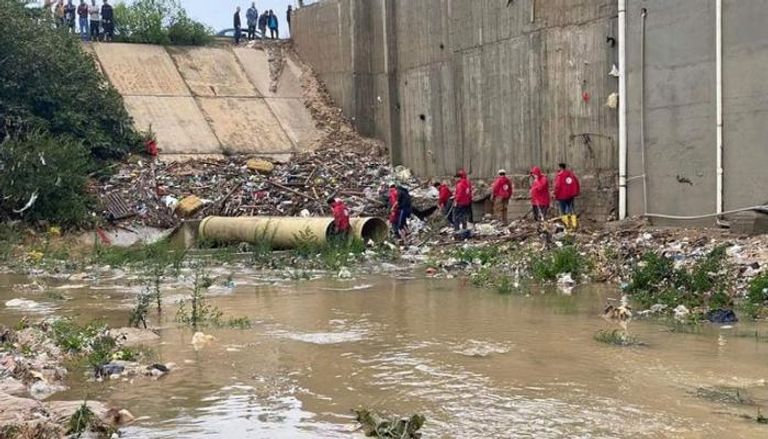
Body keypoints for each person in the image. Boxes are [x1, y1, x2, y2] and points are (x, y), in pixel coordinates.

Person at [554, 162, 581, 231]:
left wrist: (555, 194)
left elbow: (558, 186)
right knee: (571, 209)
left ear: (560, 167)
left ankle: (567, 226)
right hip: (570, 195)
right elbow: (576, 182)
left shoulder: (559, 176)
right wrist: (575, 192)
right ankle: (574, 225)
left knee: (563, 211)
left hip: (562, 196)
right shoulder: (571, 174)